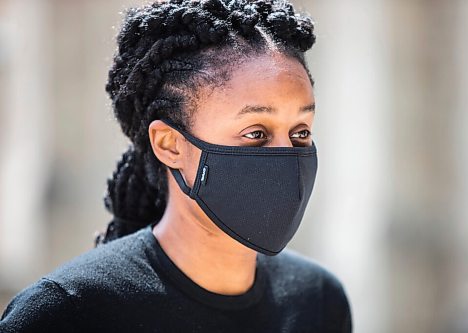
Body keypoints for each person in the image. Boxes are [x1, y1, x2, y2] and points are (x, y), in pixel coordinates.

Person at [0, 0, 352, 332]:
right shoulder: (66, 312)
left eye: (301, 132)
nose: (285, 155)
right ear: (170, 145)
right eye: (256, 132)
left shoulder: (318, 300)